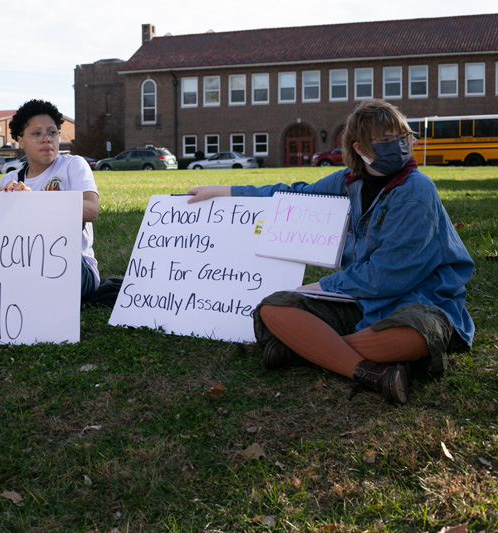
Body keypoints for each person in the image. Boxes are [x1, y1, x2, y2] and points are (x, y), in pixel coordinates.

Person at [186, 99, 474, 403]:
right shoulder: (346, 182)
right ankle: (369, 370)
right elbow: (294, 197)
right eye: (385, 139)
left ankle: (309, 350)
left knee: (415, 335)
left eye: (402, 137)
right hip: (361, 302)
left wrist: (323, 286)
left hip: (419, 300)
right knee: (273, 308)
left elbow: (388, 275)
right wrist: (226, 191)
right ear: (359, 148)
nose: (399, 146)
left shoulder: (416, 191)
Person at [0, 99, 100, 297]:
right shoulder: (10, 180)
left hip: (75, 268)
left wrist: (34, 202)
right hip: (26, 262)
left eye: (52, 132)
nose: (46, 139)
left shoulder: (72, 166)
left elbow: (91, 210)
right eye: (36, 133)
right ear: (20, 140)